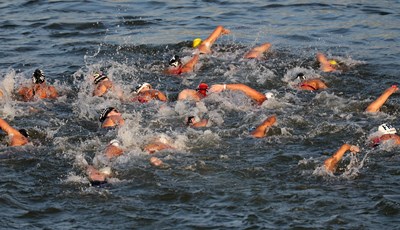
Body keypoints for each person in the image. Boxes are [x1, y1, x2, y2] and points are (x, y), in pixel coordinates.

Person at [209, 83, 273, 105]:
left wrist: (223, 86)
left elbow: (243, 87)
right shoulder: (260, 101)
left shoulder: (262, 98)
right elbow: (243, 88)